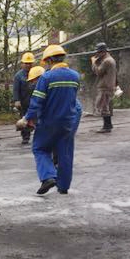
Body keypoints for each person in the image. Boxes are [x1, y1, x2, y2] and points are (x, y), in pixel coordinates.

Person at [16, 44, 81, 195]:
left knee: (40, 148)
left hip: (49, 122)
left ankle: (48, 177)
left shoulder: (46, 77)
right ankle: (63, 187)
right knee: (65, 153)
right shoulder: (75, 76)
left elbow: (37, 101)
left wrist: (26, 118)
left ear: (50, 60)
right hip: (68, 122)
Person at [91, 42, 118, 133]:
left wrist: (94, 62)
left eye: (98, 52)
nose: (97, 54)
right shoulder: (110, 60)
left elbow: (98, 72)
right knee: (104, 106)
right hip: (108, 85)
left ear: (103, 52)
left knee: (104, 107)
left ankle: (107, 126)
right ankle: (108, 125)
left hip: (105, 86)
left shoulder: (107, 61)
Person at [12, 53, 35, 144]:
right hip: (24, 102)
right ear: (22, 63)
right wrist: (16, 100)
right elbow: (15, 89)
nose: (28, 65)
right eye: (26, 63)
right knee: (24, 119)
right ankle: (25, 137)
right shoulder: (18, 76)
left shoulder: (36, 73)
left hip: (35, 101)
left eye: (30, 63)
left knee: (37, 119)